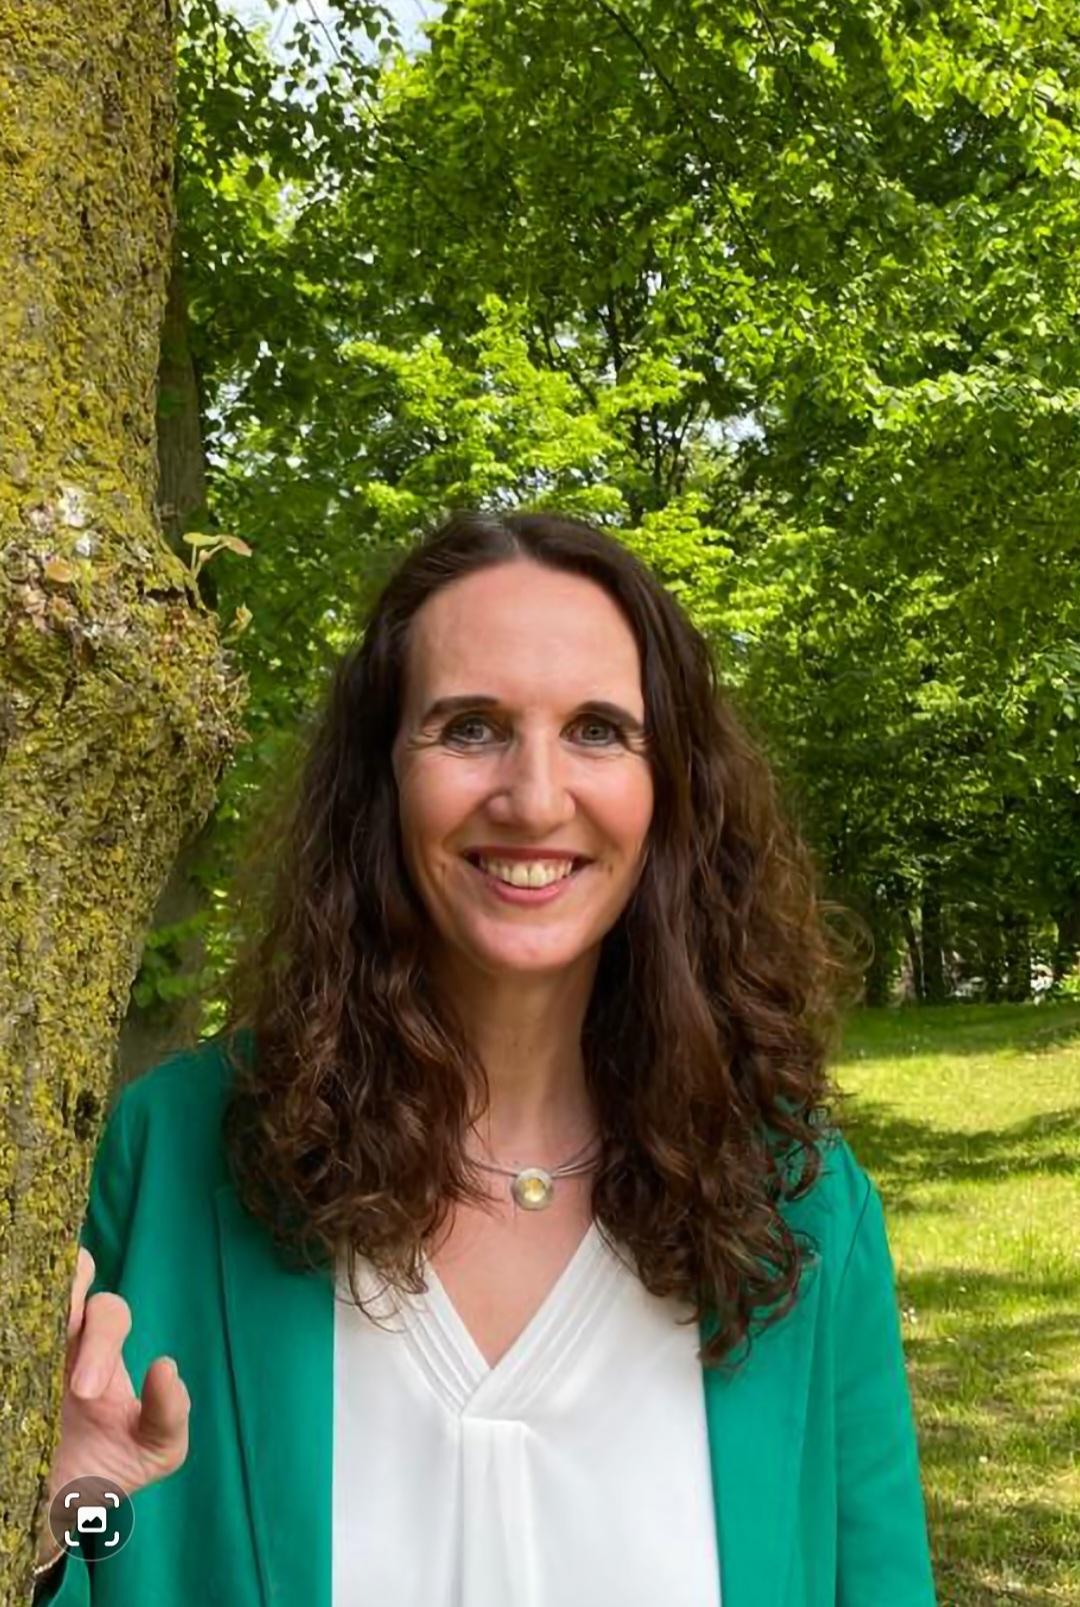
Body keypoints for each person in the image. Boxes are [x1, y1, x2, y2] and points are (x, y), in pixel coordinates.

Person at [33, 509, 938, 1605]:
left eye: (598, 728)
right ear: (380, 776)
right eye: (470, 727)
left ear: (671, 788)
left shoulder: (799, 1205)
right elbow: (89, 1551)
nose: (536, 797)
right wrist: (53, 1517)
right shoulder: (176, 1157)